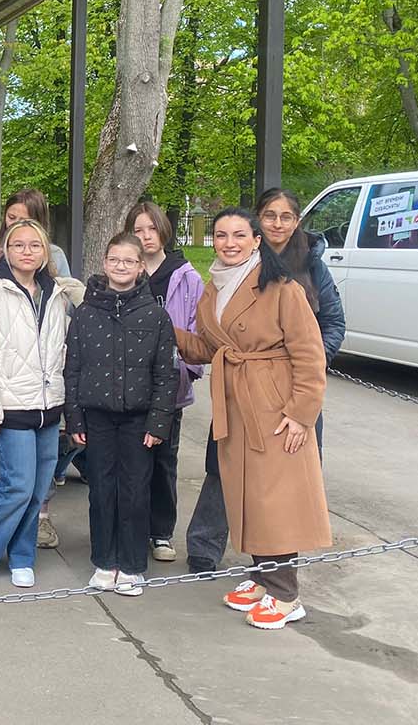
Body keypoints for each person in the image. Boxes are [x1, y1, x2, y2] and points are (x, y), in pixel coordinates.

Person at [173, 209, 330, 629]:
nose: (229, 243)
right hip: (238, 406)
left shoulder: (282, 288)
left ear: (256, 241)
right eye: (221, 235)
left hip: (275, 407)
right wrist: (164, 329)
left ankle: (286, 594)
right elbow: (211, 348)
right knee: (249, 496)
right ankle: (262, 576)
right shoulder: (215, 287)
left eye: (239, 235)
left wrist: (300, 415)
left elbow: (310, 354)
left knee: (274, 499)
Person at [0, 220, 84, 589]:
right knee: (16, 485)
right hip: (10, 407)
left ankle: (22, 555)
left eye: (35, 245)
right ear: (6, 251)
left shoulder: (55, 293)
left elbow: (61, 347)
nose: (27, 252)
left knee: (38, 488)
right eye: (19, 245)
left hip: (48, 406)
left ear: (45, 252)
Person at [65, 233, 178, 597]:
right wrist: (75, 418)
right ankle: (104, 561)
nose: (121, 266)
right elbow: (73, 368)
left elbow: (166, 374)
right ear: (105, 263)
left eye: (129, 261)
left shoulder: (155, 315)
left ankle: (130, 565)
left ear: (140, 266)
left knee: (134, 491)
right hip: (97, 417)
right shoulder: (86, 313)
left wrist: (158, 421)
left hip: (138, 420)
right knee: (101, 489)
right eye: (114, 260)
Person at [126, 201, 205, 563]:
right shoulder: (126, 269)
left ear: (163, 231)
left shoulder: (186, 276)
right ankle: (132, 529)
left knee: (163, 461)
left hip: (168, 385)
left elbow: (196, 329)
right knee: (132, 460)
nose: (146, 237)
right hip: (129, 384)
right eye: (138, 230)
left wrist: (185, 370)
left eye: (151, 229)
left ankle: (161, 532)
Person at [0, 189, 72, 279]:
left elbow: (66, 286)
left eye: (24, 221)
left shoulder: (55, 254)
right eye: (11, 217)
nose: (15, 224)